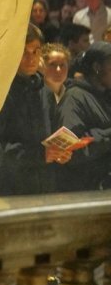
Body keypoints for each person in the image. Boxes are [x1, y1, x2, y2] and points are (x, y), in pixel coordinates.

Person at [0, 27, 68, 197]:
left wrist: (60, 151)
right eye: (24, 52)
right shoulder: (0, 92)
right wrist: (40, 154)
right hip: (10, 188)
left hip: (43, 185)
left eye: (36, 51)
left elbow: (50, 135)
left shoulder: (45, 91)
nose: (31, 58)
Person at [55, 42, 111, 191]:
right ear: (97, 68)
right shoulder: (74, 98)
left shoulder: (105, 96)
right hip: (85, 193)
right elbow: (70, 149)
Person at [41, 43, 70, 119]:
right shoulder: (37, 95)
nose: (58, 70)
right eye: (52, 64)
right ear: (42, 66)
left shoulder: (71, 95)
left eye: (62, 65)